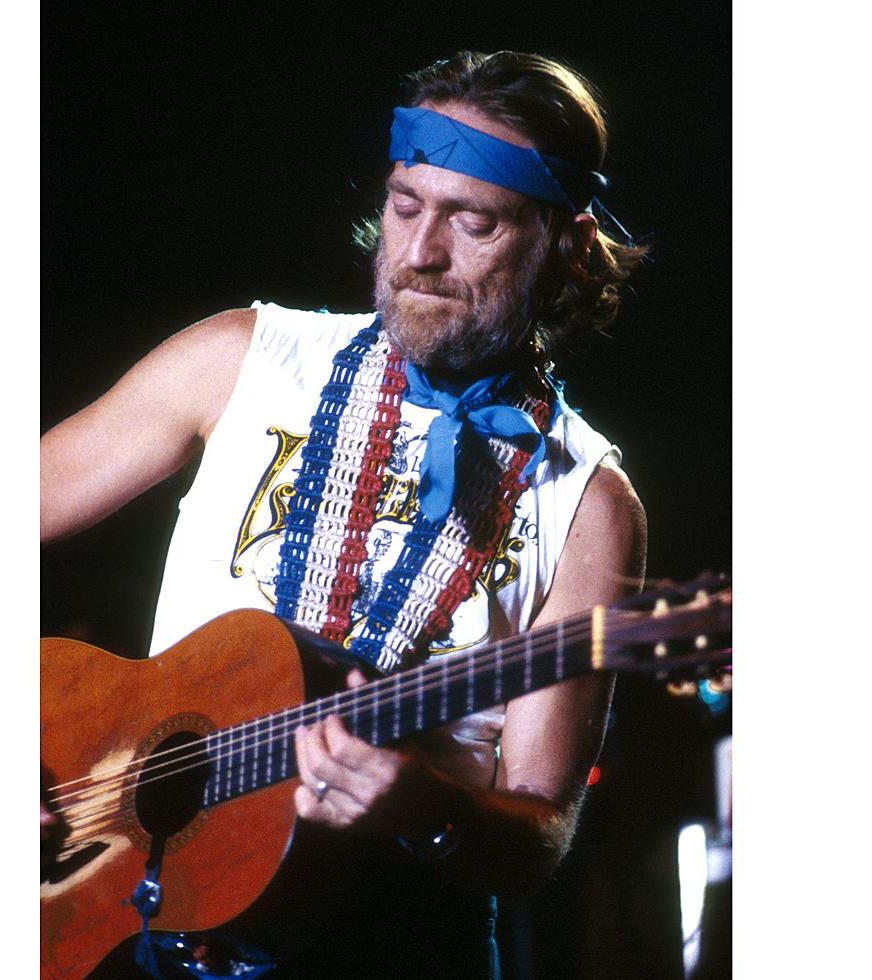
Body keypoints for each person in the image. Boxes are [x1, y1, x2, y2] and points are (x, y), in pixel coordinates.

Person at [41, 50, 647, 979]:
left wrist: (429, 812)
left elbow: (538, 834)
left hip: (388, 943)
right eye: (407, 206)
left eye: (473, 221)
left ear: (562, 243)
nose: (419, 254)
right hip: (134, 913)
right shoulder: (240, 358)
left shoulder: (590, 504)